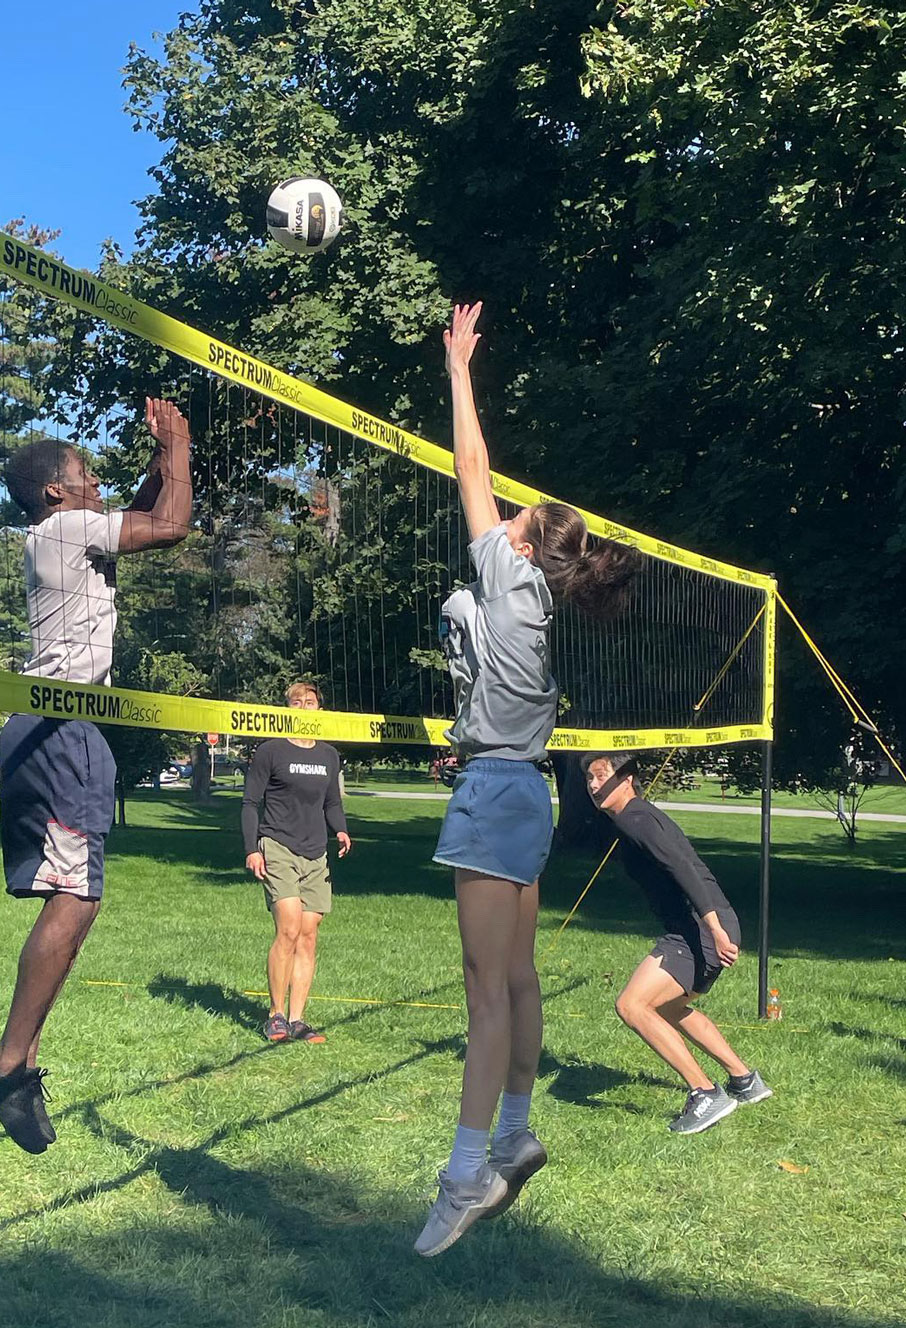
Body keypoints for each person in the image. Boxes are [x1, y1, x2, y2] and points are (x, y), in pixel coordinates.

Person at [415, 303, 639, 1257]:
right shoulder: (534, 596)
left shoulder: (509, 579)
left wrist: (460, 371)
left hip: (496, 790)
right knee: (515, 974)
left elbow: (470, 469)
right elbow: (485, 491)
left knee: (484, 991)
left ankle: (467, 1174)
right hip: (526, 792)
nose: (501, 512)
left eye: (514, 516)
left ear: (523, 545)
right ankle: (514, 1131)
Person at [0, 400, 192, 1154]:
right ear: (57, 494)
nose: (97, 483)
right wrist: (182, 449)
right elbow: (169, 527)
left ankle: (20, 1060)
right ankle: (6, 1063)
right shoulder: (62, 529)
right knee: (74, 898)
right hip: (57, 723)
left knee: (81, 899)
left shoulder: (70, 531)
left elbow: (134, 513)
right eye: (85, 475)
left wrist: (156, 462)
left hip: (72, 723)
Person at [583, 753, 772, 1133]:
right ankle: (744, 1080)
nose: (592, 784)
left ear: (627, 779)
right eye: (588, 777)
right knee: (666, 1008)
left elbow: (683, 869)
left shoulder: (637, 818)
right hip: (699, 928)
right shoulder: (630, 820)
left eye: (601, 775)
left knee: (632, 1005)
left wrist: (715, 929)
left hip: (700, 930)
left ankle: (705, 1093)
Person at [242, 681, 351, 1044]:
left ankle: (298, 1019)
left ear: (319, 709)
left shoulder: (329, 755)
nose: (304, 707)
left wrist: (341, 831)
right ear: (287, 709)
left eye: (310, 702)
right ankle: (275, 1015)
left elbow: (332, 802)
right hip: (278, 846)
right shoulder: (271, 751)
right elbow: (249, 803)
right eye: (296, 702)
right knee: (287, 928)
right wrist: (252, 848)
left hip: (315, 852)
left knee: (307, 936)